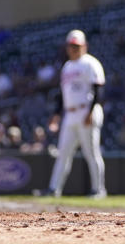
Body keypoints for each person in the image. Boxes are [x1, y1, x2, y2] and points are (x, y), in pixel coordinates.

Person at [41, 29, 107, 199]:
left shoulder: (90, 63)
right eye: (71, 46)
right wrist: (56, 115)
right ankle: (54, 189)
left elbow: (98, 89)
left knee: (91, 153)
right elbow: (63, 95)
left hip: (87, 110)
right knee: (63, 152)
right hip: (70, 113)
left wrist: (91, 111)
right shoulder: (67, 66)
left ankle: (98, 190)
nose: (73, 49)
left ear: (84, 46)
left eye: (76, 45)